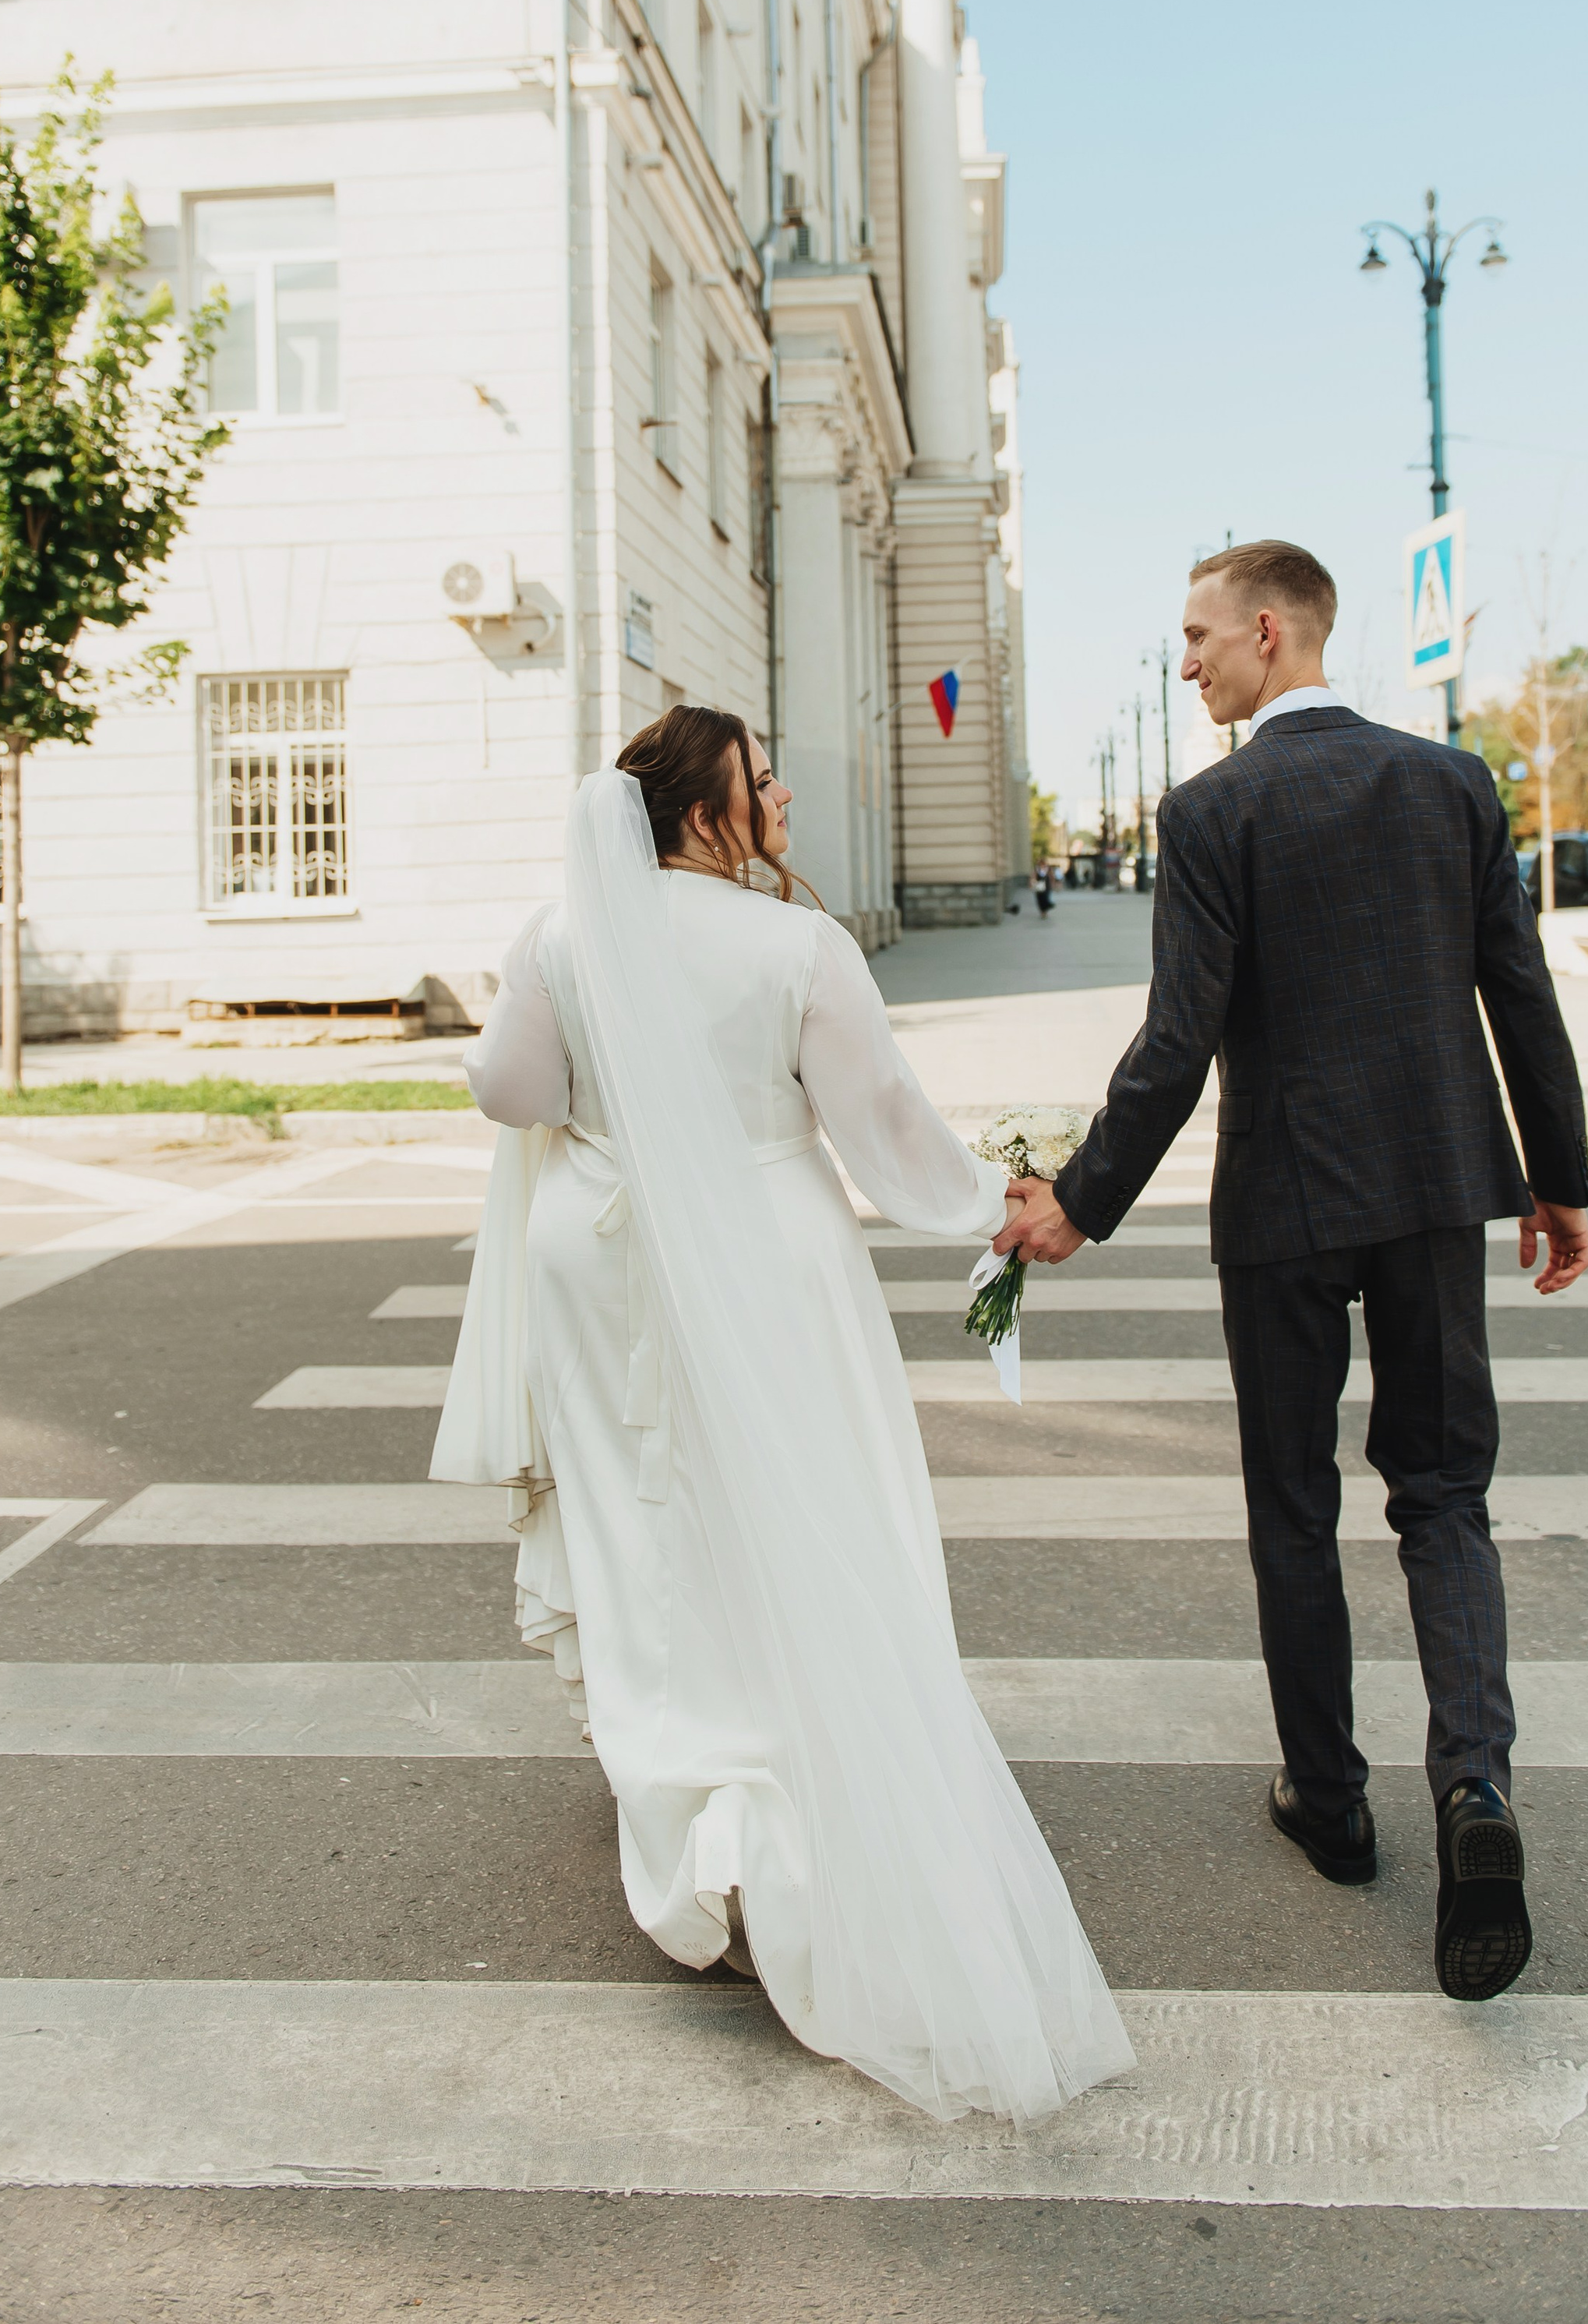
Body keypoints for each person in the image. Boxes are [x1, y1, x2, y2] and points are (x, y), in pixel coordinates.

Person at [431, 705, 1132, 2125]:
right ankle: (777, 1781)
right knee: (798, 1504)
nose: (785, 794)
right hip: (767, 1250)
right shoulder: (799, 947)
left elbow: (510, 1092)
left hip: (601, 1260)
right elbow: (883, 1131)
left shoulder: (565, 935)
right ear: (706, 812)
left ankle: (687, 1782)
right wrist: (995, 1205)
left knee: (642, 1520)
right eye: (763, 779)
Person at [996, 541, 1588, 2004]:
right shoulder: (1451, 784)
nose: (1186, 661)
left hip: (1283, 1202)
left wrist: (1081, 1202)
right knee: (1444, 1494)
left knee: (1294, 1505)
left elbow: (1178, 1037)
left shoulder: (1215, 809)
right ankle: (1477, 1785)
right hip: (1437, 1187)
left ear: (1269, 631)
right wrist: (1558, 1177)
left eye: (1199, 636)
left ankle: (1330, 1806)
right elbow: (1517, 990)